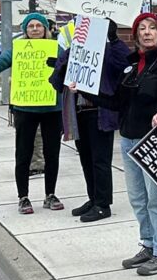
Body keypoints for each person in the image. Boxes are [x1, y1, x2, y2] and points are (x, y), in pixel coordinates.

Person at [82, 12, 157, 275]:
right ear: (135, 35)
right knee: (138, 198)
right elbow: (116, 103)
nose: (147, 32)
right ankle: (148, 244)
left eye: (152, 28)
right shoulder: (130, 64)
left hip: (155, 139)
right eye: (142, 29)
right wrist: (83, 90)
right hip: (128, 139)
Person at [0, 12, 64, 214]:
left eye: (39, 25)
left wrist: (59, 68)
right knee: (23, 154)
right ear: (25, 30)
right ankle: (23, 197)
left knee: (52, 154)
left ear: (46, 29)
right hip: (25, 109)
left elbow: (72, 70)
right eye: (31, 26)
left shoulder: (57, 48)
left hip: (52, 108)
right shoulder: (17, 50)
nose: (35, 29)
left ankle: (50, 194)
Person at [50, 19, 130, 222]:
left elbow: (126, 63)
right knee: (86, 159)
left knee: (100, 161)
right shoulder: (72, 51)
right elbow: (56, 83)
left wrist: (113, 39)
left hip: (99, 113)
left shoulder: (108, 51)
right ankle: (93, 198)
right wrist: (62, 67)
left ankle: (103, 204)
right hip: (78, 113)